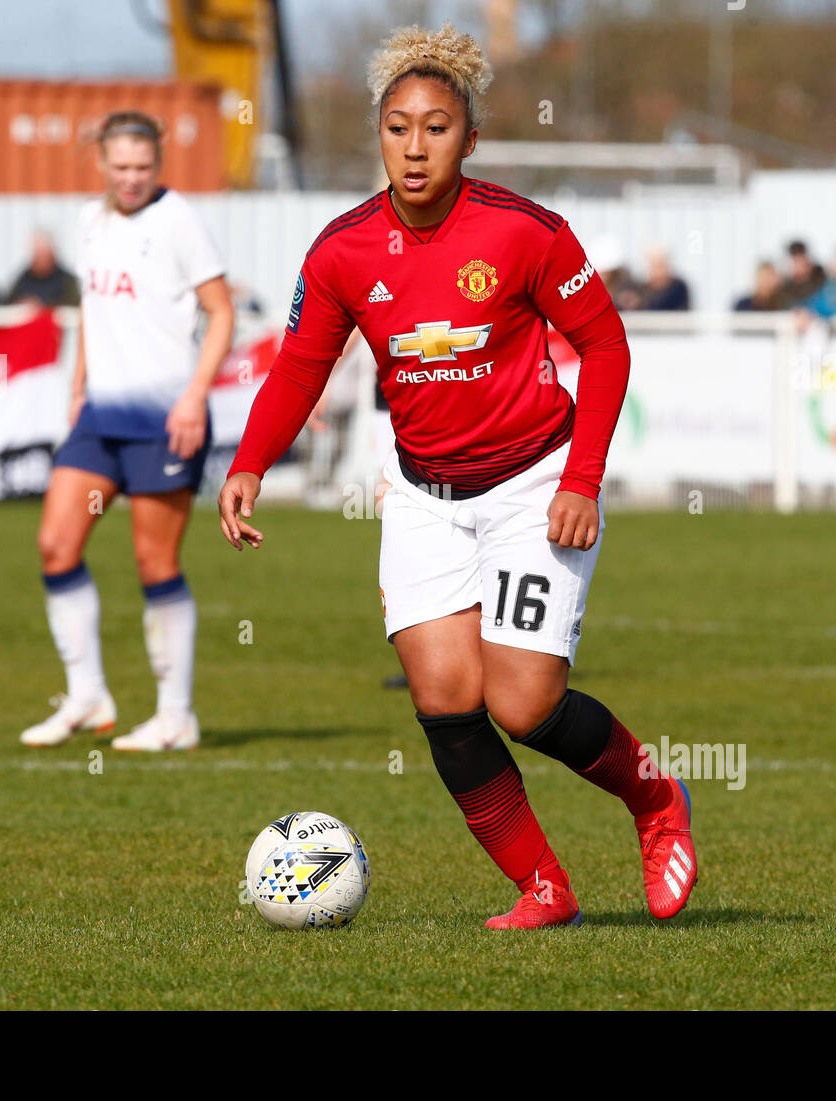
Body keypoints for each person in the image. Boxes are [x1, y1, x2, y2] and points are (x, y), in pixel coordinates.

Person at [218, 22, 696, 930]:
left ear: (469, 139)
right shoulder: (342, 250)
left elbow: (605, 342)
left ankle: (655, 800)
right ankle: (544, 888)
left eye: (437, 127)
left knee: (523, 702)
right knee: (443, 697)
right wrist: (249, 464)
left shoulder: (525, 232)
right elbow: (299, 368)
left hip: (533, 484)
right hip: (424, 496)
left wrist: (582, 480)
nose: (415, 146)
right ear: (379, 135)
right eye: (398, 127)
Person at [20, 111, 235, 752]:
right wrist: (77, 382)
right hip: (99, 417)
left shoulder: (179, 222)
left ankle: (176, 715)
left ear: (158, 163)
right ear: (102, 163)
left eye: (143, 167)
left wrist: (195, 396)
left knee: (154, 561)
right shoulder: (90, 220)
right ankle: (87, 695)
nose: (132, 178)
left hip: (165, 419)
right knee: (56, 544)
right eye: (121, 167)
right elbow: (92, 308)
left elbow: (220, 312)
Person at [7, 230, 80, 308]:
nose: (41, 259)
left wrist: (43, 306)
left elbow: (73, 306)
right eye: (37, 254)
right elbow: (6, 305)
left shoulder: (67, 281)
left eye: (43, 254)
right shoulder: (23, 279)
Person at [781, 240, 825, 306]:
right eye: (796, 261)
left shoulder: (820, 277)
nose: (799, 265)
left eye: (801, 259)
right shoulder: (786, 285)